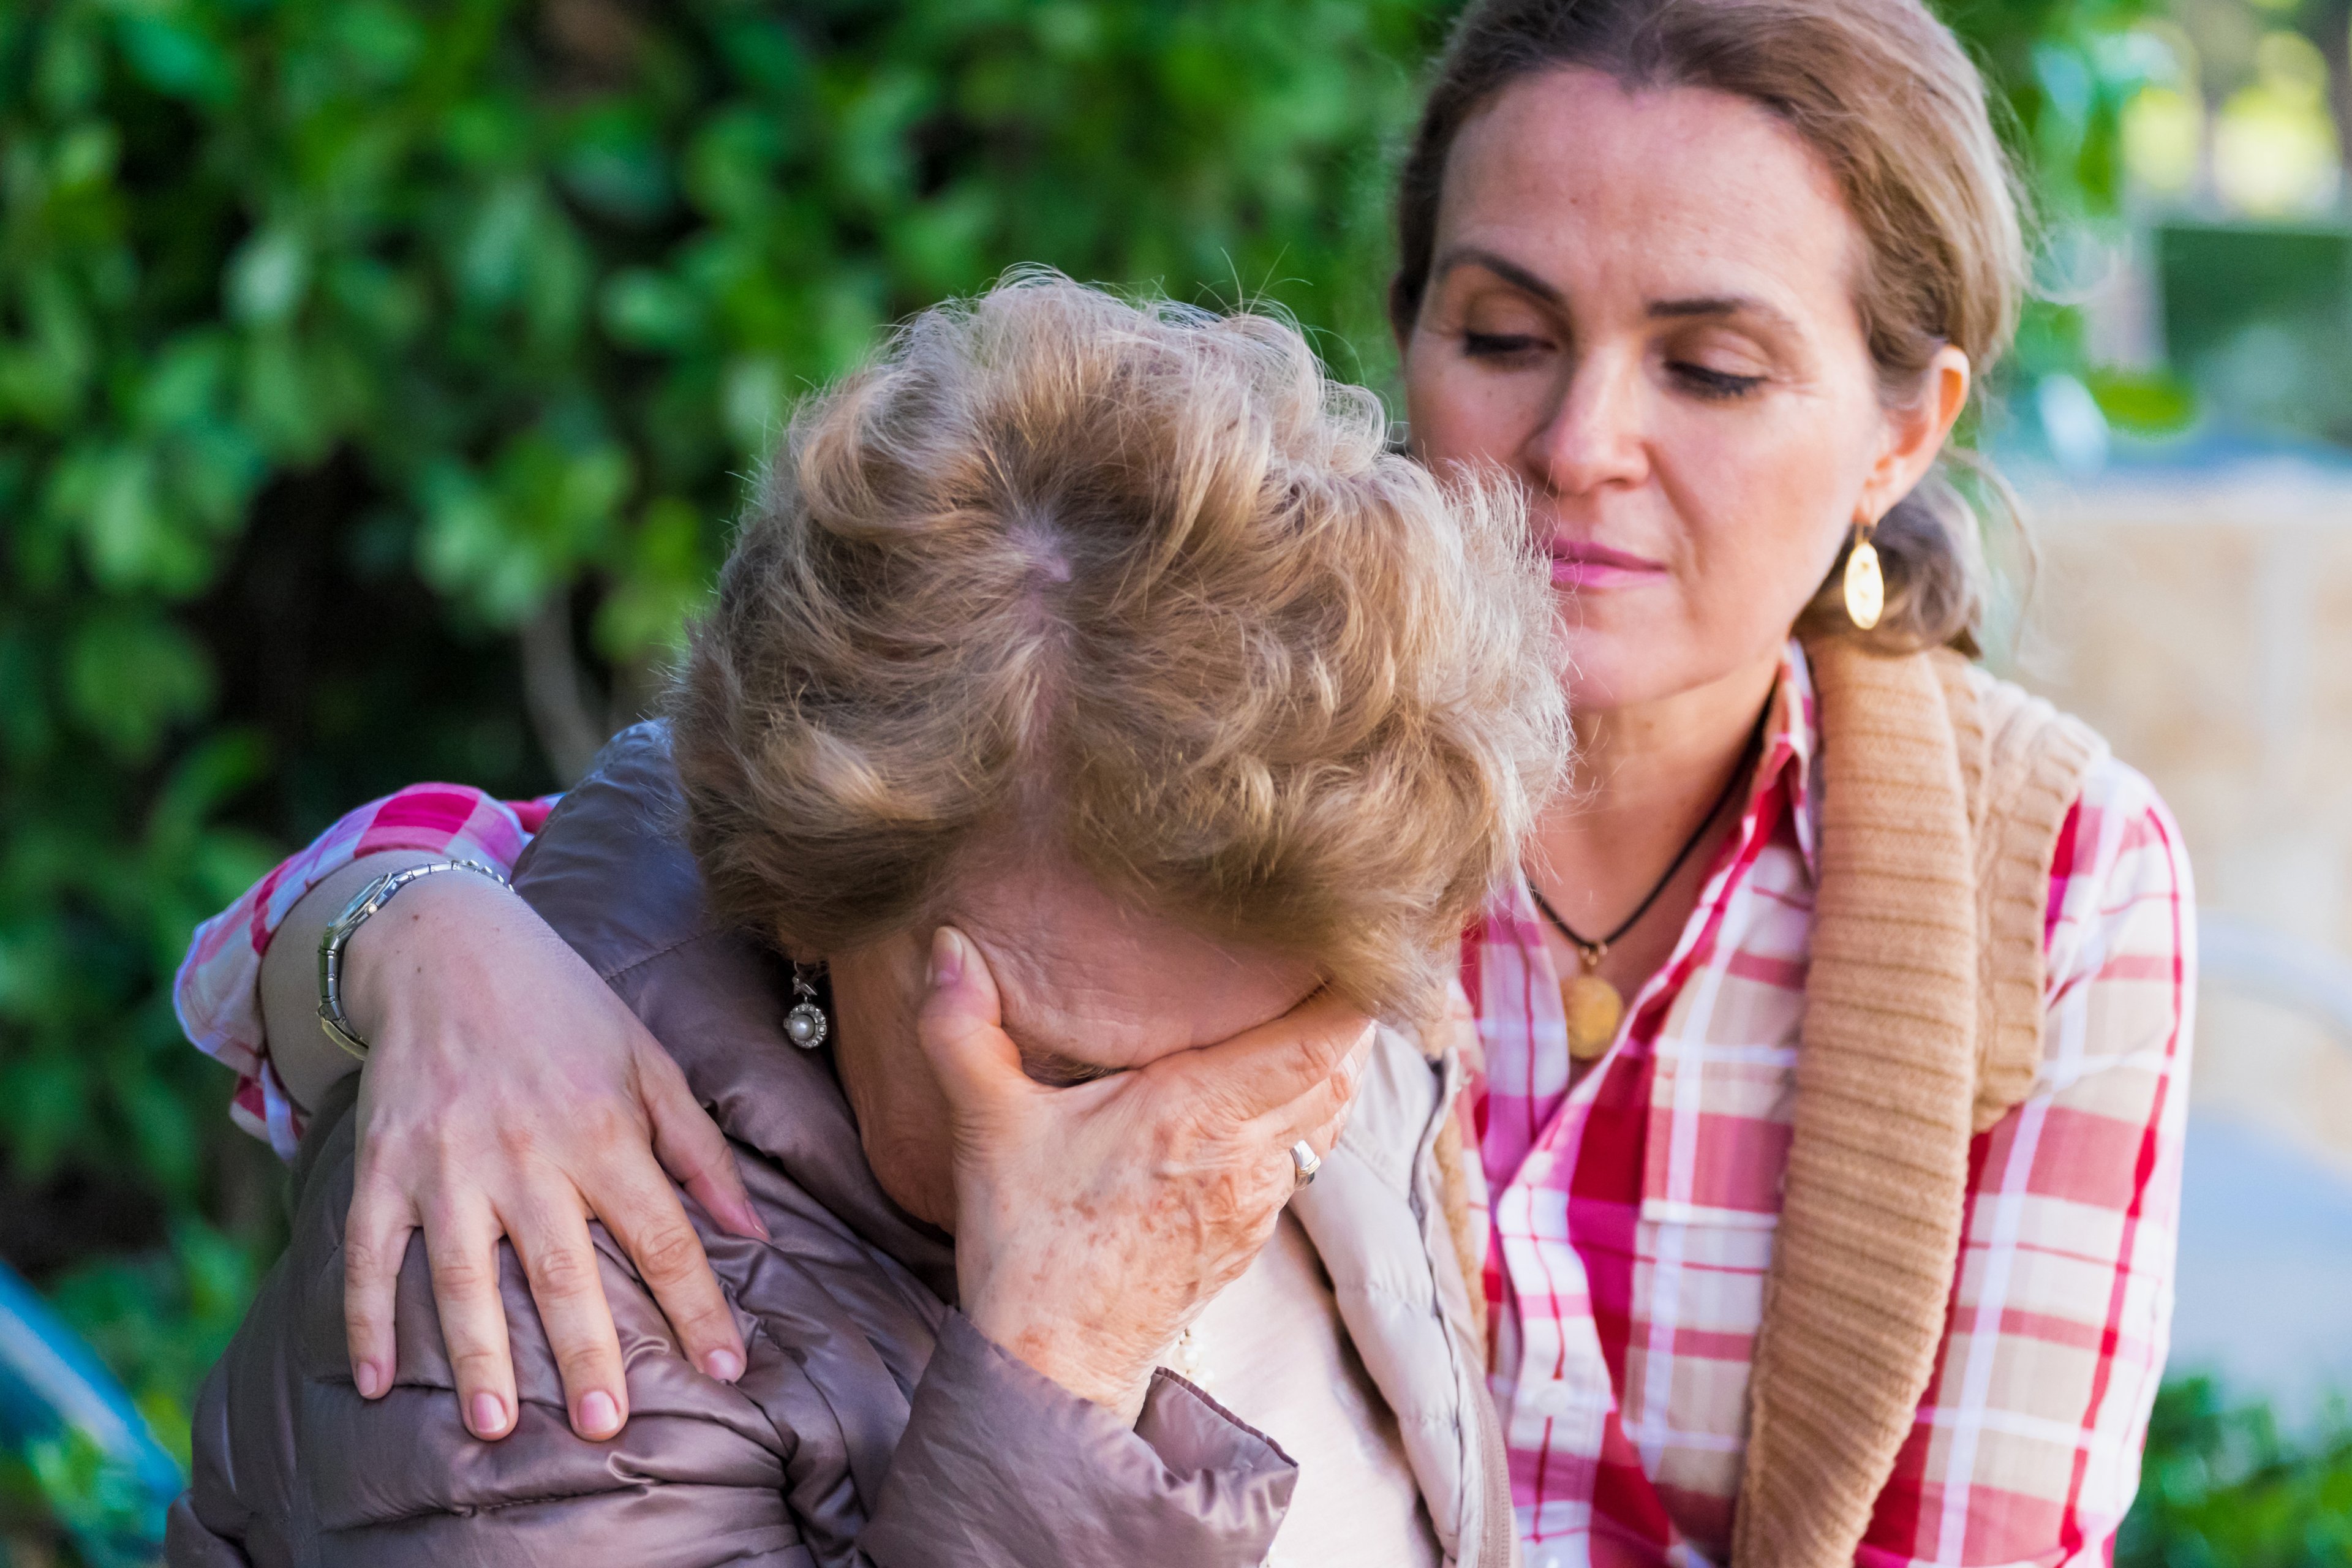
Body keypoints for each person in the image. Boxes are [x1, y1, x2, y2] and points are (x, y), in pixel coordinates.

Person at [174, 0, 2198, 1561]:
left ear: (1903, 428)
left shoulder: (2040, 879)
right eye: (1505, 334)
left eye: (1713, 368)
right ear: (1408, 336)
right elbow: (661, 861)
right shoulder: (1238, 736)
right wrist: (418, 938)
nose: (1582, 443)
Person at [167, 277, 1564, 1566]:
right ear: (807, 898)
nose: (1202, 1157)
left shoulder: (1319, 903)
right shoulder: (529, 1291)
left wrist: (402, 916)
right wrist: (1056, 1377)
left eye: (1267, 1062)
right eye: (1069, 1070)